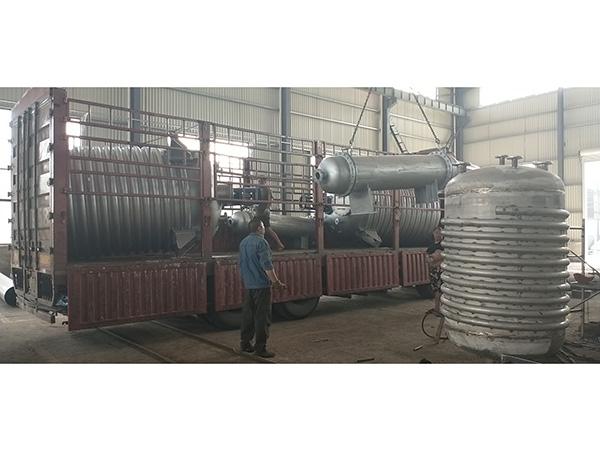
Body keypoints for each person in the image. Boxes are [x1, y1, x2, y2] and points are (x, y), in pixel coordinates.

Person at [239, 217, 286, 358]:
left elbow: (241, 264)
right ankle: (260, 348)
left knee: (248, 315)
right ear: (259, 228)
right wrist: (276, 282)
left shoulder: (244, 242)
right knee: (262, 317)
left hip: (249, 284)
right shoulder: (261, 242)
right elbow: (267, 265)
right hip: (261, 285)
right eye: (264, 226)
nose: (265, 229)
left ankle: (245, 344)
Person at [254, 177, 285, 251]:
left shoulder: (267, 189)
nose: (260, 182)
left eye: (261, 181)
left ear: (265, 181)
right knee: (260, 228)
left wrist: (267, 208)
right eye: (259, 181)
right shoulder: (257, 189)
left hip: (263, 212)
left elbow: (270, 200)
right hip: (258, 211)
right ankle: (261, 245)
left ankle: (279, 244)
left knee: (267, 229)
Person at [426, 225, 444, 312]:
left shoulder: (444, 246)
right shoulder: (431, 246)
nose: (438, 235)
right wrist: (435, 257)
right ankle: (437, 308)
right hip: (434, 272)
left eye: (440, 233)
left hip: (441, 272)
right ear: (433, 234)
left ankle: (441, 309)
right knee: (436, 290)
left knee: (442, 290)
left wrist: (434, 257)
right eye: (437, 233)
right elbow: (428, 260)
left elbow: (441, 257)